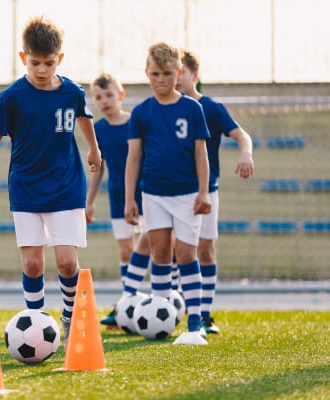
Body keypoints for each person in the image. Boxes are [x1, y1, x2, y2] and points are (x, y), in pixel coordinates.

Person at [0, 16, 101, 349]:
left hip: (67, 184)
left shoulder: (72, 91)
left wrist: (94, 149)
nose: (42, 69)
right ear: (23, 58)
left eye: (49, 63)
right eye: (36, 62)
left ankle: (69, 317)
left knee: (67, 260)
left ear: (60, 60)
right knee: (33, 262)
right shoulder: (12, 97)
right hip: (25, 187)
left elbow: (83, 118)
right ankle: (37, 325)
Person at [125, 42, 211, 345]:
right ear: (146, 74)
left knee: (186, 254)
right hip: (154, 194)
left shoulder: (192, 109)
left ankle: (196, 320)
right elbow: (133, 158)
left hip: (187, 194)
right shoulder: (141, 113)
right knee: (160, 252)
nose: (160, 79)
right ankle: (161, 310)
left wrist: (204, 192)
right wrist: (130, 198)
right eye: (154, 73)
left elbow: (201, 154)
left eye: (166, 73)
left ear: (178, 73)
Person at [176, 49, 254, 334]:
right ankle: (173, 309)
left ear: (194, 75)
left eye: (179, 72)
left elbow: (241, 134)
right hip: (172, 191)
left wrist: (246, 153)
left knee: (204, 250)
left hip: (206, 191)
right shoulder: (166, 109)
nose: (174, 78)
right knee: (175, 250)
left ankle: (205, 314)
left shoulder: (211, 107)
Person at [86, 73, 151, 327]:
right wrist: (89, 202)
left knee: (157, 248)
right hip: (116, 198)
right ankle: (128, 303)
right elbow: (98, 169)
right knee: (126, 250)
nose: (105, 101)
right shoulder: (98, 130)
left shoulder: (136, 123)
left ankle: (162, 299)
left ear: (121, 95)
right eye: (99, 97)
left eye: (109, 95)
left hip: (145, 195)